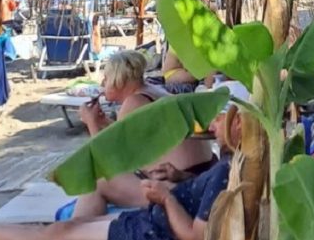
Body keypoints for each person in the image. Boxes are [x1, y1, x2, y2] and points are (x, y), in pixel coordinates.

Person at [0, 93, 242, 240]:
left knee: (54, 238)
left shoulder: (228, 171)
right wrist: (179, 178)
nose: (214, 123)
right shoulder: (232, 165)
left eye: (224, 119)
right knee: (62, 231)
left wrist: (166, 198)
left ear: (241, 127)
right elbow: (205, 200)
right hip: (151, 227)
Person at [71, 50, 217, 219]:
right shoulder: (152, 92)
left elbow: (106, 162)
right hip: (202, 177)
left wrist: (91, 122)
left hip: (180, 186)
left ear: (119, 79)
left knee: (96, 183)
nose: (103, 83)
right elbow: (131, 137)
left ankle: (76, 230)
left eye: (106, 78)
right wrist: (102, 122)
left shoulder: (134, 102)